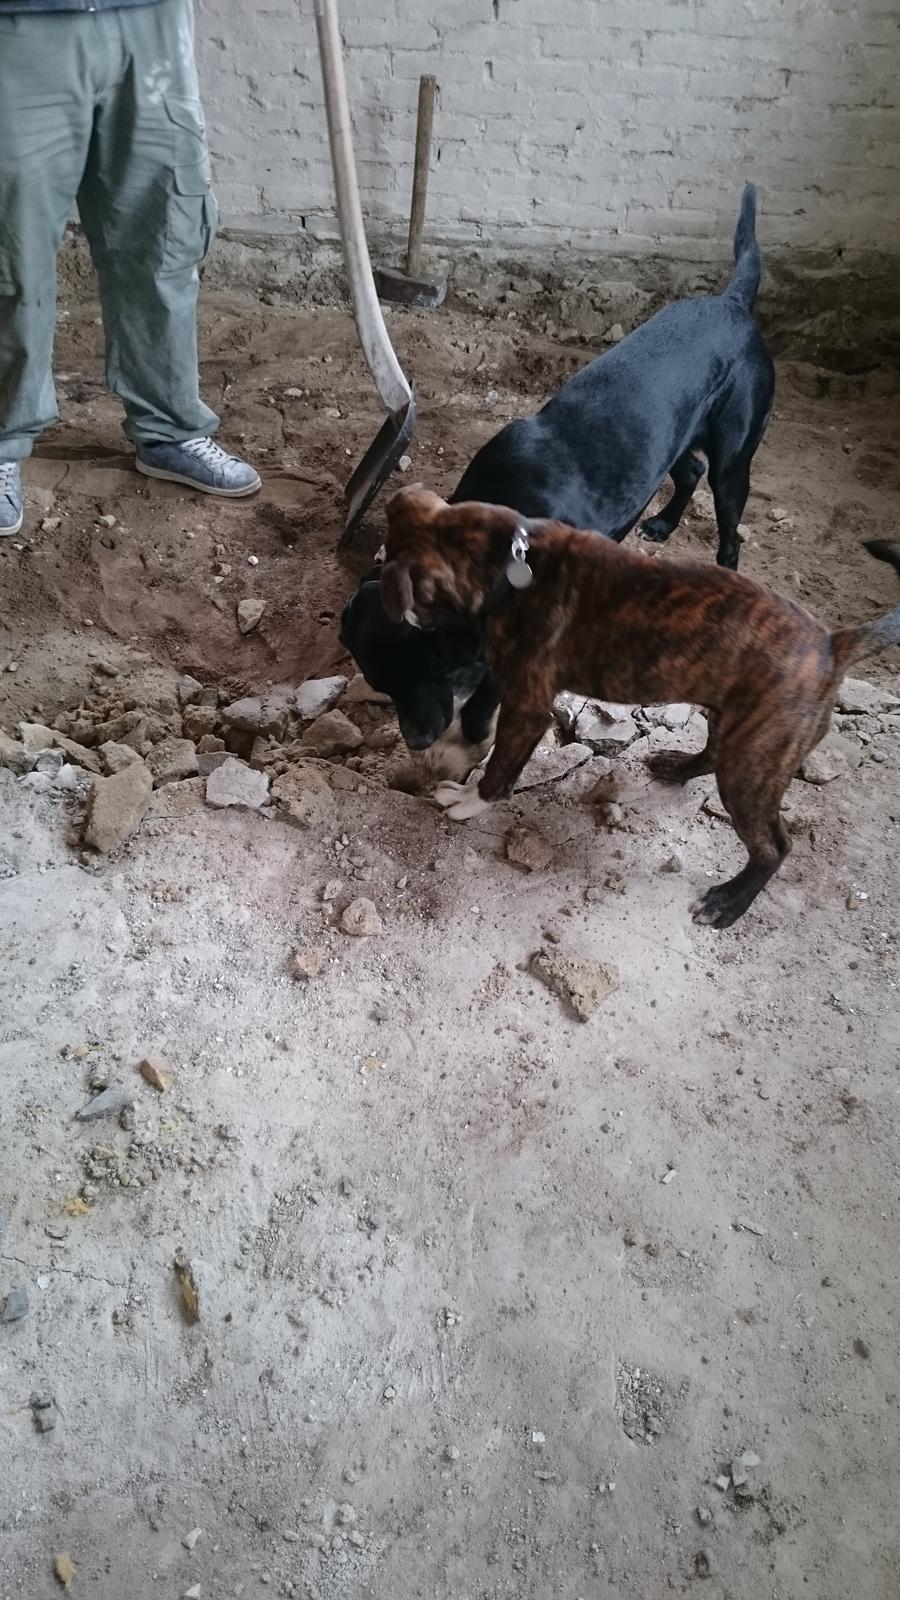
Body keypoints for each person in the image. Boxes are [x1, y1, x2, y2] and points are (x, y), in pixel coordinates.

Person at [0, 0, 260, 537]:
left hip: (152, 20)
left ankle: (168, 429)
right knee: (11, 250)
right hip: (22, 25)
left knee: (163, 234)